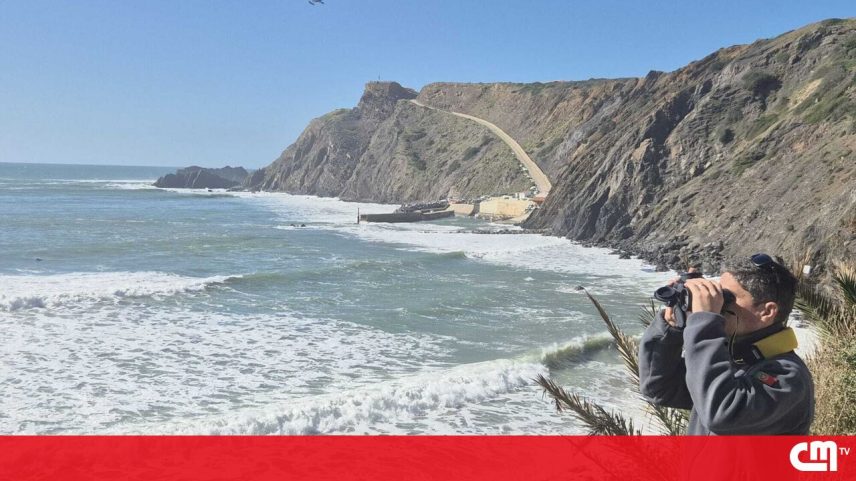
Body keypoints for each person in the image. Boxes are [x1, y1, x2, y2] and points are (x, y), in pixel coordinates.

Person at [638, 253, 814, 434]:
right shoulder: (734, 360)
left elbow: (721, 413)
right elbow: (658, 387)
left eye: (727, 297)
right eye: (719, 293)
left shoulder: (789, 378)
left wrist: (704, 322)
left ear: (766, 311)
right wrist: (671, 328)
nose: (720, 303)